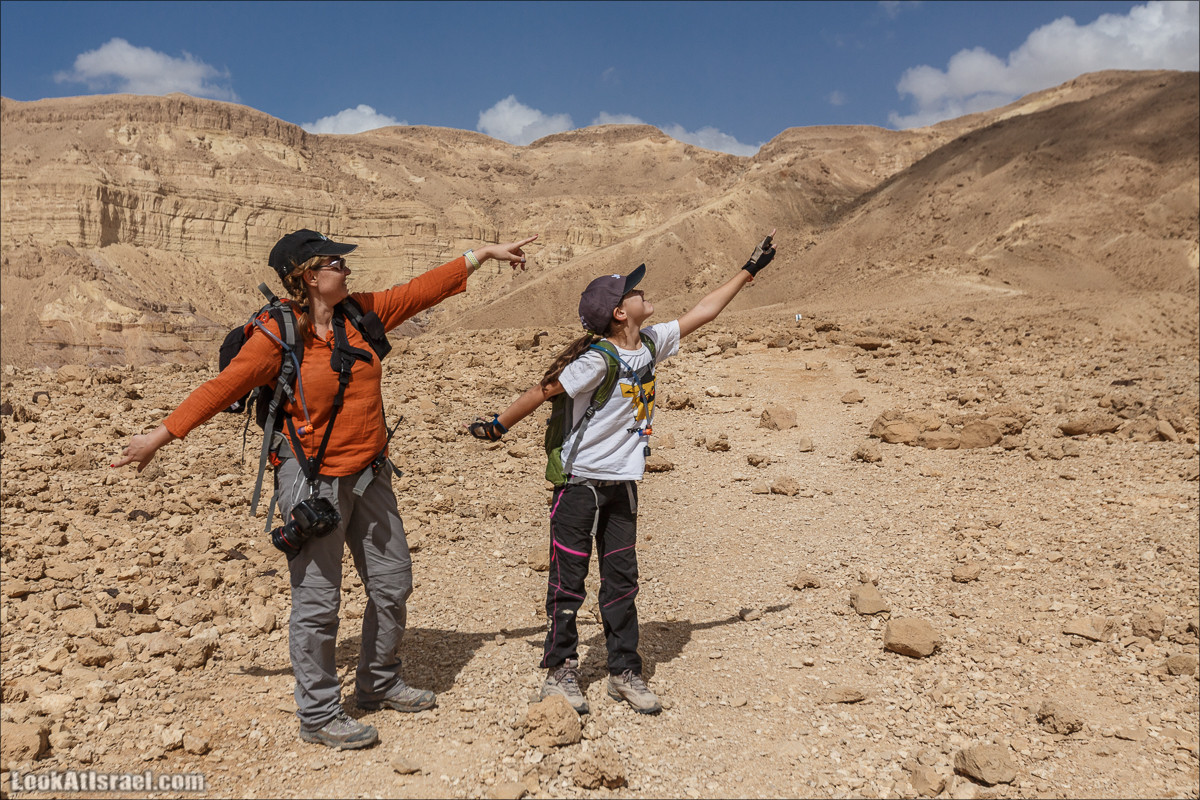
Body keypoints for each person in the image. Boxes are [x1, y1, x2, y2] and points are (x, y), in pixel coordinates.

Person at [114, 229, 537, 749]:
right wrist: (157, 437)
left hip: (370, 472)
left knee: (393, 582)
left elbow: (423, 289)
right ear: (309, 275)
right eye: (337, 262)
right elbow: (222, 388)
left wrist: (484, 255)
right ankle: (316, 713)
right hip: (311, 482)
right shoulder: (278, 337)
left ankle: (377, 682)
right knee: (318, 601)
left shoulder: (360, 314)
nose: (348, 269)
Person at [469, 232, 776, 715]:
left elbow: (705, 311)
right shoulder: (595, 360)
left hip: (622, 484)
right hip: (579, 484)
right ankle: (561, 670)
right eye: (631, 291)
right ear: (619, 312)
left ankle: (623, 670)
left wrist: (749, 269)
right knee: (568, 580)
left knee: (621, 579)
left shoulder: (650, 343)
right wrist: (496, 426)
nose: (641, 294)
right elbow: (541, 391)